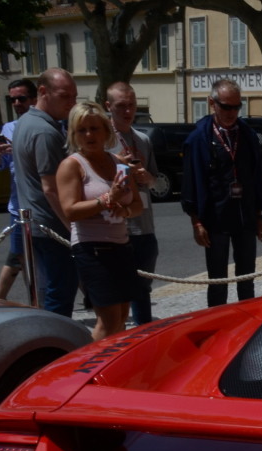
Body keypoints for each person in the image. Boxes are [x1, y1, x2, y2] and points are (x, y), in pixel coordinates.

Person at [56, 101, 142, 342]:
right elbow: (70, 210)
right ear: (73, 134)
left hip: (121, 245)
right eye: (81, 130)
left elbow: (137, 205)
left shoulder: (119, 163)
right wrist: (106, 199)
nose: (89, 135)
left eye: (94, 128)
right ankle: (90, 369)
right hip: (91, 248)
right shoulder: (72, 165)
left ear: (106, 131)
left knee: (123, 315)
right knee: (109, 319)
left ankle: (113, 364)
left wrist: (123, 211)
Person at [181, 79, 262, 307]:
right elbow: (191, 182)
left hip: (245, 216)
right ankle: (217, 327)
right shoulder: (198, 138)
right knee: (218, 281)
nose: (232, 112)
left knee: (246, 278)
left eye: (237, 107)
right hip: (215, 220)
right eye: (226, 107)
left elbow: (256, 177)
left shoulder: (248, 135)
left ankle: (247, 325)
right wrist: (196, 222)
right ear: (212, 103)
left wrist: (259, 217)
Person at [14, 68, 80, 316]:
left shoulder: (26, 122)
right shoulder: (45, 131)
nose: (72, 103)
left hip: (36, 223)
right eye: (65, 96)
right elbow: (51, 188)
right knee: (60, 291)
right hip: (51, 225)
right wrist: (73, 228)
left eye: (74, 96)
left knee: (52, 288)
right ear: (43, 92)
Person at [105, 81, 158, 325]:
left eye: (132, 105)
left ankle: (143, 334)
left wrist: (146, 177)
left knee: (142, 289)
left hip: (144, 226)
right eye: (121, 106)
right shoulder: (101, 140)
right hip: (116, 227)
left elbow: (155, 182)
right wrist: (116, 163)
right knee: (117, 293)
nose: (128, 111)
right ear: (109, 106)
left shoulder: (143, 139)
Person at [0, 79, 37, 301]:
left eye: (22, 98)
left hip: (44, 205)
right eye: (13, 99)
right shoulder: (9, 128)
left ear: (34, 99)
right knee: (20, 256)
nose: (17, 103)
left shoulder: (47, 125)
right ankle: (4, 301)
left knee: (44, 257)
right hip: (19, 209)